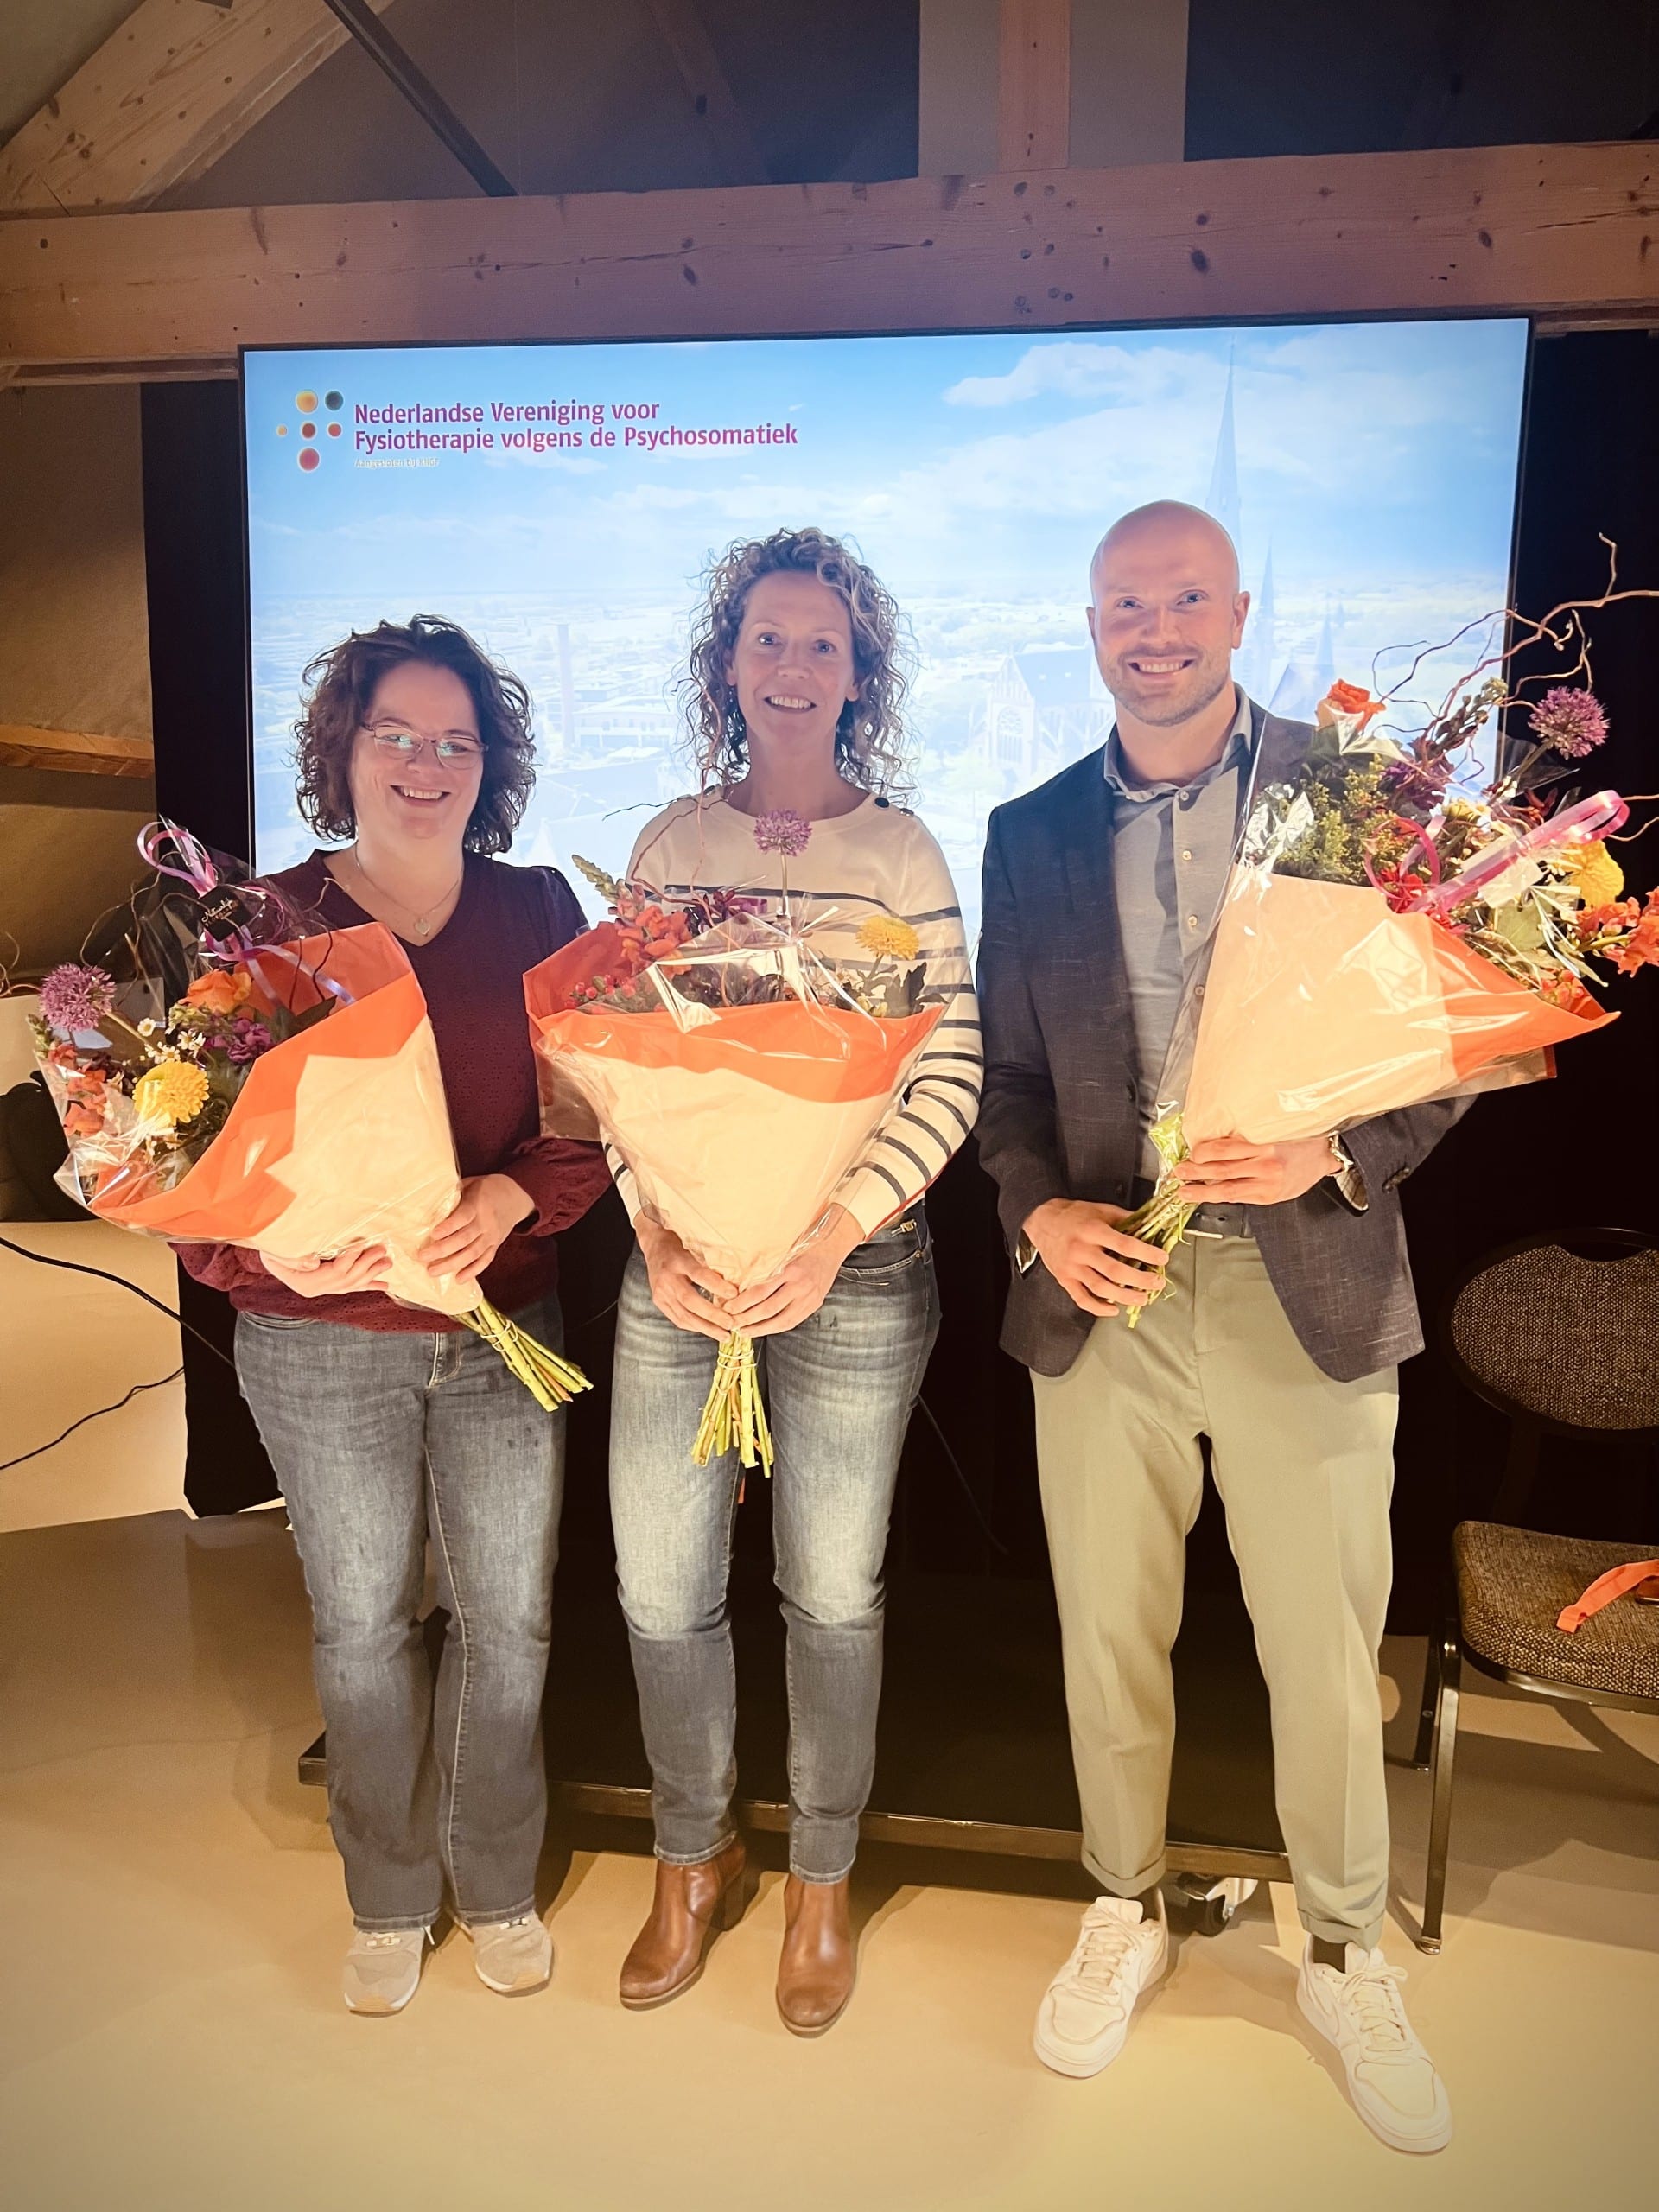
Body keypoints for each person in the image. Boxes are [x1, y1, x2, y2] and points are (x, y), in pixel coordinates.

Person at [976, 502, 1458, 2154]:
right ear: (1090, 619)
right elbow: (1013, 1087)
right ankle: (1124, 1902)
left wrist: (1340, 1149)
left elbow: (1445, 1044)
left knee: (1323, 1647)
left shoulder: (1355, 799)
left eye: (1186, 598)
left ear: (1241, 609)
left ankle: (1339, 1943)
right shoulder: (1028, 830)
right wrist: (1039, 1211)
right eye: (1127, 601)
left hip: (1301, 1276)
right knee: (1106, 1630)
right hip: (1105, 1280)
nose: (1155, 627)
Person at [179, 616, 612, 2016]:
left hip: (503, 1328)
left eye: (457, 743)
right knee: (362, 1626)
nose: (426, 765)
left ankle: (492, 1875)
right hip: (322, 1349)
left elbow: (600, 1120)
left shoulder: (543, 911)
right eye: (396, 737)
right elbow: (193, 1164)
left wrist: (509, 1203)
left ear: (491, 766)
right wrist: (276, 1264)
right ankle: (385, 1892)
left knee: (510, 1620)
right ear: (342, 751)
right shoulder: (268, 924)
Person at [607, 529, 982, 2034]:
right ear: (728, 664)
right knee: (658, 1584)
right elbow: (616, 1064)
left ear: (858, 673)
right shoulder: (663, 843)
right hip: (683, 1275)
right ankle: (688, 1856)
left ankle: (820, 1876)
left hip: (859, 1271)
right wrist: (656, 1232)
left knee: (830, 1593)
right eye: (768, 638)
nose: (793, 665)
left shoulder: (901, 854)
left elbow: (945, 1070)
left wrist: (833, 1233)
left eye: (822, 643)